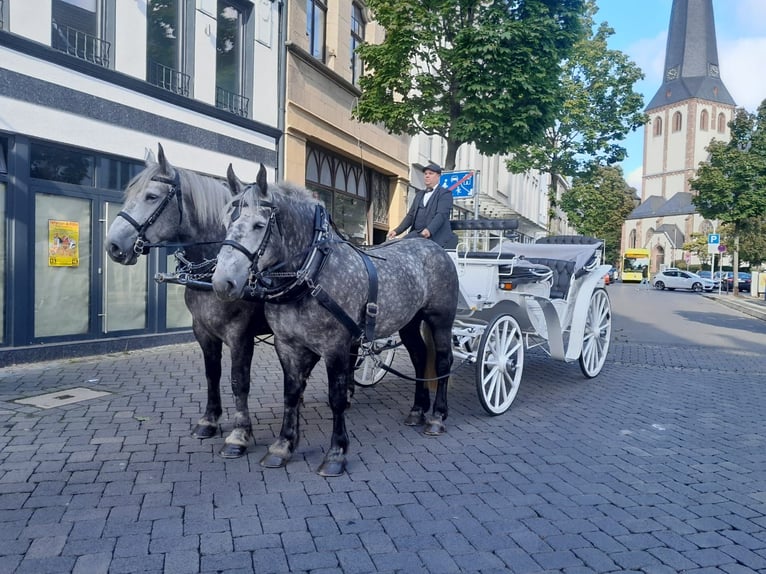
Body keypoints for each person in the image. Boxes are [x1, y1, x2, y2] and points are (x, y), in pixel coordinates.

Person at [387, 162, 458, 249]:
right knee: (397, 246)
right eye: (425, 174)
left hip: (435, 236)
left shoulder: (445, 194)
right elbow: (410, 215)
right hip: (417, 233)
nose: (427, 176)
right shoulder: (419, 194)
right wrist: (396, 231)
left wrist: (429, 230)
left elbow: (441, 215)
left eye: (431, 173)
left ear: (438, 176)